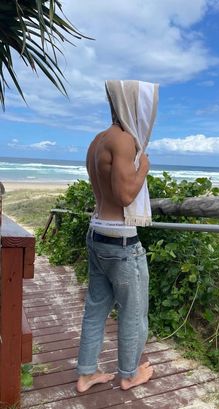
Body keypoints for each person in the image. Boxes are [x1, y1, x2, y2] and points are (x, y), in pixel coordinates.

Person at [77, 80, 159, 393]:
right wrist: (144, 169)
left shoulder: (98, 140)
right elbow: (125, 195)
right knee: (134, 313)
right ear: (131, 104)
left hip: (97, 234)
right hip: (122, 242)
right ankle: (128, 374)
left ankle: (86, 373)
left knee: (96, 308)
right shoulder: (124, 140)